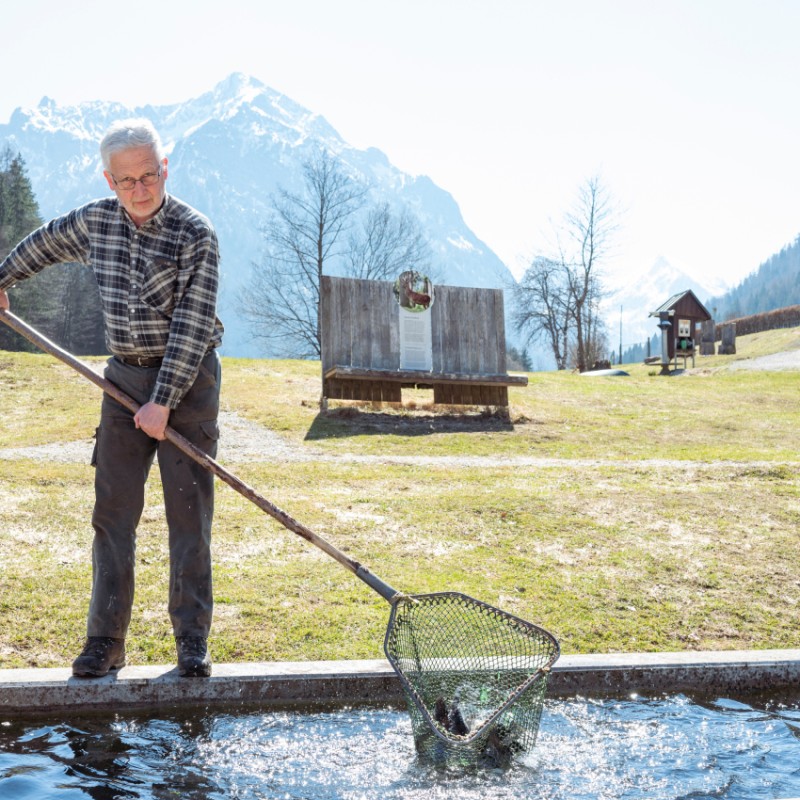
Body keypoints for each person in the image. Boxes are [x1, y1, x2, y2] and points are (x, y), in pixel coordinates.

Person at [0, 118, 224, 678]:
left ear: (164, 168)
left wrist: (165, 400)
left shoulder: (195, 233)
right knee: (112, 514)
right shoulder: (95, 222)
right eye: (127, 181)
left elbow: (193, 328)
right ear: (109, 181)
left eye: (149, 175)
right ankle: (105, 641)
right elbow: (44, 244)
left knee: (189, 516)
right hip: (121, 382)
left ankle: (191, 641)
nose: (140, 189)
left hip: (189, 384)